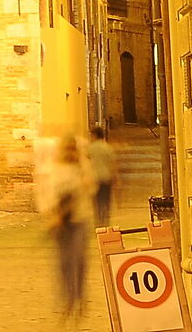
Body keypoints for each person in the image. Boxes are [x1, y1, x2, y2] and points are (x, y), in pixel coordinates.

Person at [36, 135, 95, 319]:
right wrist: (52, 213)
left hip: (79, 218)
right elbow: (44, 193)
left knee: (78, 259)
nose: (69, 151)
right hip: (60, 221)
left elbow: (91, 188)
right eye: (67, 148)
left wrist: (83, 182)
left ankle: (79, 296)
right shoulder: (53, 168)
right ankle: (67, 297)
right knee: (63, 261)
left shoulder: (83, 167)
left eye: (72, 148)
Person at [87, 125, 119, 225]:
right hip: (106, 178)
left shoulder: (90, 148)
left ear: (95, 135)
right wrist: (115, 177)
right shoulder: (107, 148)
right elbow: (112, 164)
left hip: (94, 178)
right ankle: (106, 220)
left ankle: (99, 220)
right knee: (106, 200)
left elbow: (86, 162)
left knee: (97, 201)